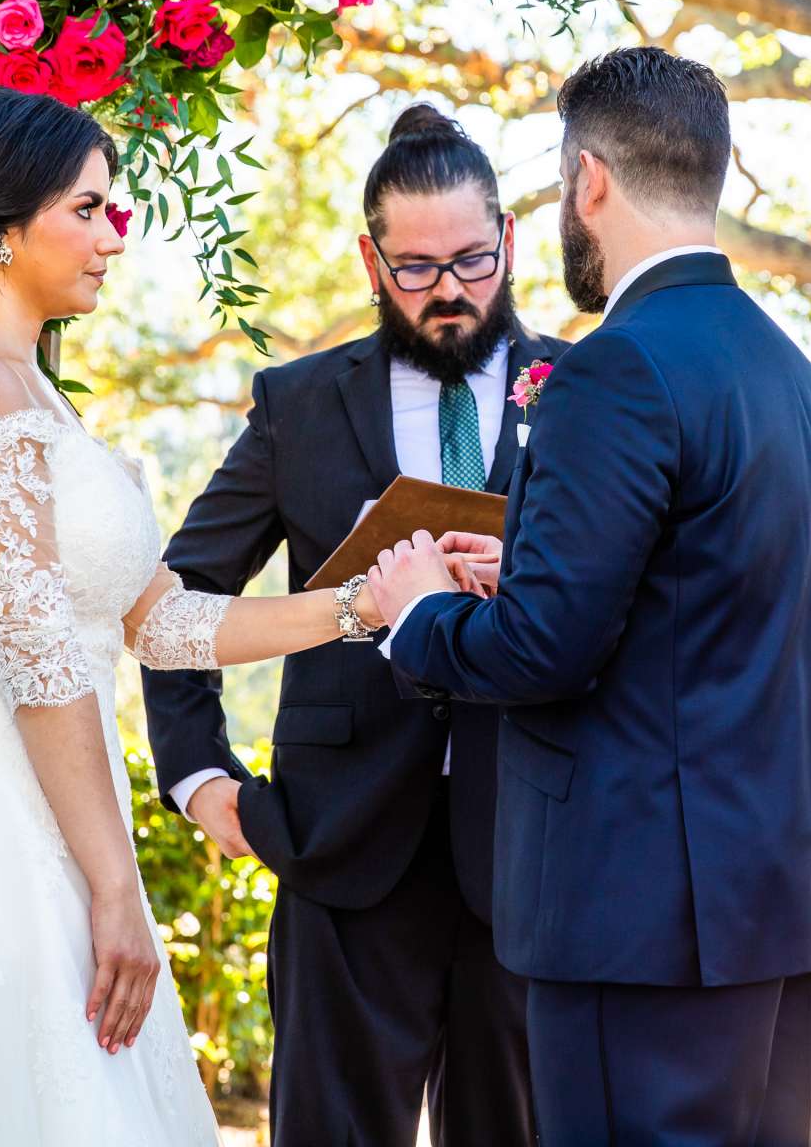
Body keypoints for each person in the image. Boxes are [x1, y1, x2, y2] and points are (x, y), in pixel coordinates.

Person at [0, 85, 412, 1147]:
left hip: (57, 827)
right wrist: (113, 885)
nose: (114, 237)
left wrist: (359, 602)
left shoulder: (33, 393)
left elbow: (162, 625)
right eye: (90, 209)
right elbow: (43, 669)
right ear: (9, 229)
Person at [372, 47, 811, 1147]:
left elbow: (546, 650)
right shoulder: (786, 370)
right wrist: (531, 565)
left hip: (639, 922)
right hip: (774, 904)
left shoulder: (615, 368)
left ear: (589, 178)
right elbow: (706, 598)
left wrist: (418, 610)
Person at [144, 105, 559, 1147]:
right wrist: (201, 775)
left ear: (509, 240)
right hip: (342, 844)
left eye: (471, 257)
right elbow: (175, 597)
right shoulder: (296, 403)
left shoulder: (589, 390)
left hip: (537, 844)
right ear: (371, 263)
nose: (451, 289)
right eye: (416, 268)